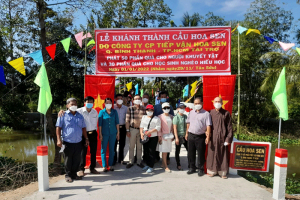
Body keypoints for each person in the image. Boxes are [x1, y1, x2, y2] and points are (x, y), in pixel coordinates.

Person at [57, 96, 100, 176]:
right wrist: (61, 111)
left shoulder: (95, 112)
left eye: (91, 102)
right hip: (83, 134)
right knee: (83, 152)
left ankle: (92, 168)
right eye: (88, 102)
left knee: (93, 151)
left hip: (93, 133)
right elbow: (69, 111)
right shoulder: (79, 111)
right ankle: (81, 169)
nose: (90, 104)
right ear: (85, 103)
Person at [56, 98, 89, 183]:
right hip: (67, 142)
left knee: (77, 159)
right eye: (72, 104)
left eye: (75, 104)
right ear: (67, 105)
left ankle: (74, 174)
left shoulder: (80, 116)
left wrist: (86, 138)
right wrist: (58, 140)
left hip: (78, 142)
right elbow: (58, 128)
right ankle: (68, 175)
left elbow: (83, 128)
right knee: (68, 159)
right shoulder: (62, 115)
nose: (74, 106)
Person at [206, 97, 233, 179]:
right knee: (212, 154)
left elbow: (230, 127)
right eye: (216, 101)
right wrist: (207, 136)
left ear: (222, 103)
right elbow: (206, 125)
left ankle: (222, 172)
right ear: (213, 103)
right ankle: (212, 171)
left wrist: (228, 139)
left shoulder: (226, 113)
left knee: (222, 155)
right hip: (212, 137)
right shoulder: (210, 113)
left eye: (219, 101)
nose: (217, 103)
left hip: (222, 138)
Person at [185, 97, 212, 177]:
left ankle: (200, 169)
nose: (197, 105)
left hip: (200, 136)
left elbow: (208, 125)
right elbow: (188, 123)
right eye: (195, 104)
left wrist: (208, 137)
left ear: (202, 104)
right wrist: (186, 133)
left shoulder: (206, 114)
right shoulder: (191, 112)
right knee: (190, 152)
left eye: (198, 103)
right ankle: (192, 167)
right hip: (191, 135)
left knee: (200, 153)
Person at [98, 98, 120, 172]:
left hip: (113, 133)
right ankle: (104, 166)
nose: (108, 104)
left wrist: (118, 133)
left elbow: (117, 123)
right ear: (104, 104)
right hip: (104, 134)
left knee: (112, 150)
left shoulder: (114, 112)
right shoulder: (101, 112)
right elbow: (100, 124)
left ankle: (110, 165)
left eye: (110, 103)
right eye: (107, 103)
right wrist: (100, 134)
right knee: (103, 150)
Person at [125, 94, 146, 168]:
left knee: (139, 146)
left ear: (141, 100)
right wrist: (127, 130)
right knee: (131, 146)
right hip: (132, 129)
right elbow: (127, 120)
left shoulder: (144, 109)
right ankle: (131, 161)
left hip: (141, 130)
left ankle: (139, 161)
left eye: (139, 99)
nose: (137, 100)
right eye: (136, 99)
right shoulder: (130, 109)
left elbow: (146, 120)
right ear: (133, 100)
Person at [140, 104, 161, 173]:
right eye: (148, 110)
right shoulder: (144, 117)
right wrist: (141, 134)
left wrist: (150, 131)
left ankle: (151, 166)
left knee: (152, 151)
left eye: (151, 110)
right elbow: (141, 126)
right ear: (146, 111)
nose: (149, 111)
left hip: (153, 137)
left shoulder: (157, 118)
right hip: (145, 136)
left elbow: (158, 127)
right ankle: (147, 164)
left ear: (153, 111)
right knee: (146, 151)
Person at [154, 91, 174, 163]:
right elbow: (154, 117)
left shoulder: (170, 106)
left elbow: (172, 117)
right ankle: (157, 157)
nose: (163, 98)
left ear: (166, 97)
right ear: (159, 98)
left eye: (164, 97)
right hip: (158, 127)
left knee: (167, 142)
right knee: (158, 143)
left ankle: (167, 158)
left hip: (167, 127)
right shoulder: (156, 107)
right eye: (161, 97)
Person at [158, 102, 174, 173]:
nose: (166, 109)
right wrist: (159, 137)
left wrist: (173, 135)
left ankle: (163, 163)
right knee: (164, 151)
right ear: (162, 109)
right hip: (163, 136)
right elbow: (159, 128)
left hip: (169, 136)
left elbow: (172, 127)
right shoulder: (160, 117)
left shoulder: (171, 116)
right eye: (165, 108)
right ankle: (165, 166)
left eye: (168, 107)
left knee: (166, 150)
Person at [173, 103, 188, 170]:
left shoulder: (185, 116)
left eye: (183, 108)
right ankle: (178, 164)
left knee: (189, 150)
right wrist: (176, 138)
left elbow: (188, 126)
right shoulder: (176, 117)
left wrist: (187, 134)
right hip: (179, 136)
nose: (182, 109)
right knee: (177, 151)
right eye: (181, 108)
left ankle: (191, 163)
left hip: (185, 136)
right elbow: (175, 128)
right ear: (178, 109)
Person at [114, 94, 128, 165]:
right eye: (118, 98)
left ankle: (121, 159)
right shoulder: (113, 107)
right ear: (115, 99)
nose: (119, 100)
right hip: (114, 128)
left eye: (121, 98)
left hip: (123, 128)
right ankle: (114, 159)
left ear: (122, 100)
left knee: (122, 144)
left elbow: (127, 119)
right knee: (114, 144)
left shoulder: (125, 108)